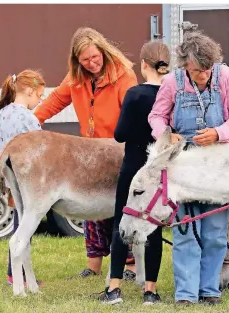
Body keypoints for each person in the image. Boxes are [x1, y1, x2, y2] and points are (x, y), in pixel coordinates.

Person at [148, 31, 229, 305]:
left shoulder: (226, 77)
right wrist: (168, 135)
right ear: (184, 67)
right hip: (184, 168)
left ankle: (209, 290)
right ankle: (185, 294)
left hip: (218, 166)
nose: (202, 75)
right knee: (185, 230)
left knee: (216, 233)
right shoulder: (171, 82)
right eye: (196, 71)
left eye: (206, 71)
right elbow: (156, 116)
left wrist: (219, 133)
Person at [34, 27, 138, 278]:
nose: (92, 64)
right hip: (89, 152)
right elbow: (56, 100)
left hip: (117, 150)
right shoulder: (75, 77)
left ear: (103, 50)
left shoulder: (124, 74)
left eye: (95, 57)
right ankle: (94, 265)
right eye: (85, 60)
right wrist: (31, 121)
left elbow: (132, 111)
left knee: (122, 207)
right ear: (76, 61)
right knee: (90, 207)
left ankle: (131, 266)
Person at [99, 41, 170, 305]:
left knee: (122, 221)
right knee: (154, 227)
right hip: (158, 173)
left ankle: (114, 287)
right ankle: (150, 290)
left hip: (133, 167)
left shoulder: (135, 94)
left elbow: (119, 134)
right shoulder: (172, 94)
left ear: (143, 65)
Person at [0, 70, 46, 286]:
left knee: (18, 222)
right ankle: (19, 274)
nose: (40, 101)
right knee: (25, 224)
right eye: (39, 96)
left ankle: (14, 273)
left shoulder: (3, 114)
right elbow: (42, 145)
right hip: (28, 179)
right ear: (29, 91)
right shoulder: (28, 117)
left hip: (9, 178)